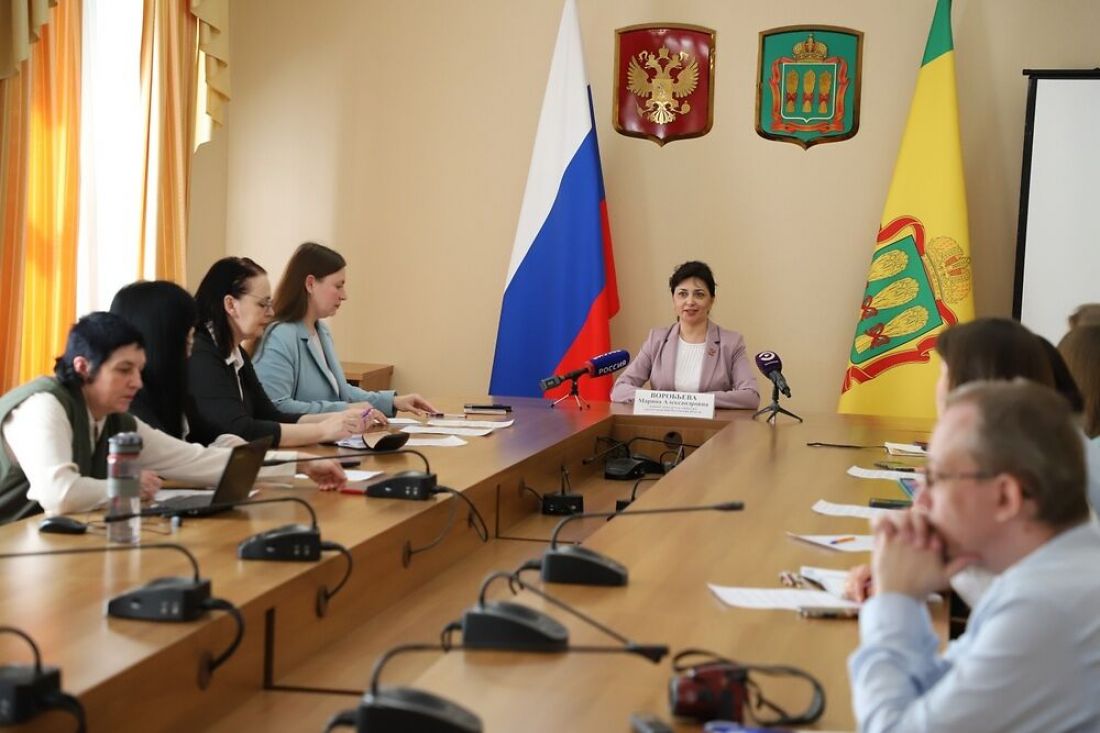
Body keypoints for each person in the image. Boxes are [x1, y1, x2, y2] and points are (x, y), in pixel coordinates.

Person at [848, 380, 1100, 732]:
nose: (920, 499)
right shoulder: (1052, 571)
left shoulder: (1046, 606)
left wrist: (895, 600)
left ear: (1005, 497)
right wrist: (910, 593)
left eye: (936, 477)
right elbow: (942, 693)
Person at [0, 313, 345, 523]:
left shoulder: (113, 418)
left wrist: (300, 463)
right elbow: (59, 493)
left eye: (139, 370)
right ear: (82, 367)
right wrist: (128, 487)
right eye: (123, 370)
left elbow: (196, 460)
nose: (136, 382)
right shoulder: (44, 406)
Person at [843, 317, 1070, 604]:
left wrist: (895, 593)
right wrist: (904, 572)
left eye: (943, 372)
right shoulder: (1032, 458)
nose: (937, 387)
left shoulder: (998, 481)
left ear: (969, 386)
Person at [186, 257, 375, 447]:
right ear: (230, 305)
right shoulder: (201, 354)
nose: (270, 313)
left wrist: (339, 418)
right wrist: (322, 430)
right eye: (263, 304)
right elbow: (240, 430)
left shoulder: (236, 353)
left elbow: (270, 415)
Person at [252, 242, 437, 418]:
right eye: (338, 286)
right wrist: (344, 410)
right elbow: (275, 407)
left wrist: (392, 401)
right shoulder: (280, 336)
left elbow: (340, 392)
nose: (344, 295)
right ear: (310, 284)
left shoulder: (321, 331)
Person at [611, 261, 760, 409]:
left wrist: (696, 402)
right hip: (661, 423)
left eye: (699, 294)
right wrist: (662, 400)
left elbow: (751, 396)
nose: (690, 301)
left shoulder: (731, 343)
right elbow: (620, 389)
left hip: (712, 424)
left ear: (711, 301)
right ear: (673, 299)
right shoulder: (657, 340)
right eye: (682, 294)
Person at [109, 280, 196, 438]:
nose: (189, 353)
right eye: (187, 341)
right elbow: (173, 450)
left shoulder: (164, 394)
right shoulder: (128, 413)